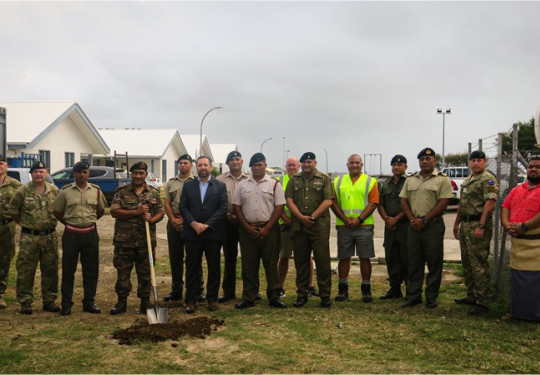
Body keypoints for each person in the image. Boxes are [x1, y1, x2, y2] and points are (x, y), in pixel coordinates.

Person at [109, 161, 164, 315]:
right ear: (131, 174)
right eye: (135, 173)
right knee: (123, 272)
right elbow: (115, 212)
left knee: (146, 273)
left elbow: (161, 212)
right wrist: (137, 211)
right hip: (124, 241)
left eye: (141, 173)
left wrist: (152, 219)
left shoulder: (153, 192)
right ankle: (121, 302)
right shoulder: (121, 192)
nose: (138, 176)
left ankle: (145, 303)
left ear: (146, 175)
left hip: (145, 242)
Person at [53, 161, 108, 316]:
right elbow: (57, 212)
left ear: (88, 173)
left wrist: (87, 222)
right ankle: (66, 304)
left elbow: (101, 210)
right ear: (74, 174)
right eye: (79, 172)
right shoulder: (65, 191)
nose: (82, 175)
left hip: (90, 234)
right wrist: (70, 223)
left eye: (85, 172)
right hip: (71, 234)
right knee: (68, 270)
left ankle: (89, 302)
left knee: (91, 270)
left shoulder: (96, 191)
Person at [232, 153, 287, 309]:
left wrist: (268, 227)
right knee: (249, 265)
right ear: (250, 167)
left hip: (270, 230)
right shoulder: (242, 185)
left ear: (265, 165)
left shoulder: (274, 184)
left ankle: (274, 297)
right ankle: (249, 297)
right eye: (254, 165)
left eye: (260, 165)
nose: (257, 168)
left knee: (271, 264)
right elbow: (236, 206)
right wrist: (247, 227)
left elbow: (279, 206)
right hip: (247, 230)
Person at [399, 148, 452, 308]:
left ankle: (431, 296)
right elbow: (403, 201)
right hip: (413, 226)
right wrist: (413, 220)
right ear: (419, 161)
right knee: (414, 262)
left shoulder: (442, 180)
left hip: (433, 226)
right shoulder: (410, 180)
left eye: (428, 159)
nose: (425, 161)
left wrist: (425, 220)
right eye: (422, 159)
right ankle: (413, 295)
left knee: (434, 261)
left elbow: (443, 203)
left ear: (434, 161)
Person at [8, 161, 60, 315]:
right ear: (31, 174)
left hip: (50, 236)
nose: (39, 174)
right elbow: (13, 212)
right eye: (36, 171)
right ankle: (25, 301)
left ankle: (49, 300)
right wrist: (27, 225)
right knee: (26, 269)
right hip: (29, 237)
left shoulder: (54, 190)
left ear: (47, 173)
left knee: (50, 268)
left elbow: (59, 209)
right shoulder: (22, 191)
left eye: (42, 171)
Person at [285, 152, 334, 308]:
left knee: (322, 261)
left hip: (319, 226)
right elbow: (289, 200)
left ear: (315, 163)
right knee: (301, 261)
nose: (307, 164)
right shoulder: (294, 180)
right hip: (299, 226)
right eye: (304, 162)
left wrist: (311, 217)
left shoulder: (324, 179)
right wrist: (300, 217)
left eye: (309, 162)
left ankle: (325, 295)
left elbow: (328, 201)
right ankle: (302, 294)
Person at [180, 156, 228, 313]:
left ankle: (212, 298)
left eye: (205, 165)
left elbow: (222, 208)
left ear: (210, 167)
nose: (202, 167)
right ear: (196, 167)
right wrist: (193, 223)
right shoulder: (188, 186)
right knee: (192, 267)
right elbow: (183, 207)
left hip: (212, 234)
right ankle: (191, 299)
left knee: (214, 267)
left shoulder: (220, 186)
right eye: (200, 165)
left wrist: (207, 225)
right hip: (192, 233)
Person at [453, 151, 498, 315]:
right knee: (467, 262)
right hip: (466, 224)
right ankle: (471, 295)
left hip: (478, 224)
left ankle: (482, 301)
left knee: (479, 264)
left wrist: (481, 225)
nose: (476, 163)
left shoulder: (488, 179)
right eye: (473, 160)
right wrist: (457, 222)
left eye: (479, 160)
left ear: (485, 162)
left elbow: (490, 203)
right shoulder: (468, 180)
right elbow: (462, 204)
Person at [331, 154, 379, 302]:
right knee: (344, 258)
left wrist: (359, 219)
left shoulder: (370, 181)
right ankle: (342, 290)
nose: (354, 165)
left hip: (363, 226)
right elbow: (333, 202)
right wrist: (345, 220)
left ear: (361, 165)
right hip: (344, 226)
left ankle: (366, 290)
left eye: (357, 163)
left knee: (364, 257)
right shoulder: (338, 181)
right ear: (347, 165)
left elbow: (373, 203)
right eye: (351, 163)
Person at [501, 156, 540, 321]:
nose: (533, 169)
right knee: (518, 281)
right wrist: (506, 224)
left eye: (538, 167)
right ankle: (518, 312)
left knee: (534, 282)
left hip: (536, 245)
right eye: (531, 166)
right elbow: (505, 206)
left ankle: (534, 315)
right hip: (518, 244)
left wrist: (524, 227)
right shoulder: (517, 189)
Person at [162, 154, 204, 302]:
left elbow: (200, 205)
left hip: (191, 223)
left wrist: (187, 222)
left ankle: (198, 290)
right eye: (180, 163)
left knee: (194, 258)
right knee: (175, 258)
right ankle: (176, 290)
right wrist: (173, 220)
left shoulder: (197, 182)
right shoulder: (171, 183)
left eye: (186, 163)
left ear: (191, 165)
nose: (183, 166)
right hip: (174, 222)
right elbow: (167, 203)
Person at [277, 156, 318, 298]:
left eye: (294, 165)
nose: (292, 168)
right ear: (285, 167)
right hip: (286, 224)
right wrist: (285, 219)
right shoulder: (279, 182)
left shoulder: (303, 179)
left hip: (302, 225)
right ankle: (280, 287)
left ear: (298, 166)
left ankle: (310, 285)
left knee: (307, 257)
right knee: (284, 257)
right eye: (289, 165)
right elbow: (276, 204)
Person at [216, 151, 248, 303]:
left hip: (246, 223)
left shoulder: (250, 179)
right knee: (229, 257)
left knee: (249, 257)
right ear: (227, 163)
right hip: (227, 222)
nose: (235, 162)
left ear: (242, 161)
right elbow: (215, 202)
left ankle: (250, 290)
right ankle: (228, 291)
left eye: (237, 159)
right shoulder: (219, 180)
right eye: (232, 160)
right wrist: (228, 215)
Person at [378, 154, 409, 299]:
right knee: (391, 257)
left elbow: (411, 205)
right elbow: (380, 204)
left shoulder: (410, 182)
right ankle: (395, 289)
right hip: (389, 226)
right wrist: (386, 219)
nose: (396, 167)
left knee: (407, 257)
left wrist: (395, 219)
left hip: (405, 225)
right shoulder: (385, 184)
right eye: (394, 165)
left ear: (405, 167)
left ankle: (411, 289)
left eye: (400, 164)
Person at [0, 154, 22, 309]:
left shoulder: (15, 185)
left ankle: (0, 293)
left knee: (4, 258)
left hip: (7, 226)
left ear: (6, 166)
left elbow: (25, 204)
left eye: (1, 163)